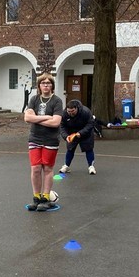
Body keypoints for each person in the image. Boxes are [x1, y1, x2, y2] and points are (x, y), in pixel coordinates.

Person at [24, 73, 63, 211]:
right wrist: (47, 117)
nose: (46, 85)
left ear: (52, 85)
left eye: (48, 83)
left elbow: (56, 122)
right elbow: (27, 118)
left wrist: (36, 118)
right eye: (43, 83)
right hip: (35, 138)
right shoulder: (34, 99)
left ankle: (45, 198)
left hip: (50, 139)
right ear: (39, 86)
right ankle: (36, 197)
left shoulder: (57, 101)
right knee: (35, 168)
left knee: (47, 168)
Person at [58, 99, 97, 175]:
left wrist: (81, 133)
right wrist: (66, 136)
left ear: (76, 108)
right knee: (70, 149)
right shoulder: (64, 114)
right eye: (69, 111)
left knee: (89, 149)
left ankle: (91, 166)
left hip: (85, 133)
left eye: (72, 111)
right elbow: (62, 126)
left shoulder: (85, 111)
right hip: (71, 133)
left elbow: (90, 123)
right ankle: (66, 166)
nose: (71, 113)